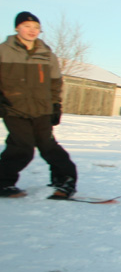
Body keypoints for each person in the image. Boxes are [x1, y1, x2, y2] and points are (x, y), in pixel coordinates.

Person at [0, 11, 78, 199]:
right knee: (23, 147)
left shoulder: (46, 54)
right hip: (13, 108)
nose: (32, 31)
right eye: (27, 26)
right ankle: (3, 183)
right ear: (17, 28)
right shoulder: (3, 51)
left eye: (36, 27)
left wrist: (55, 105)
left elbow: (55, 83)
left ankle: (65, 181)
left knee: (48, 146)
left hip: (41, 110)